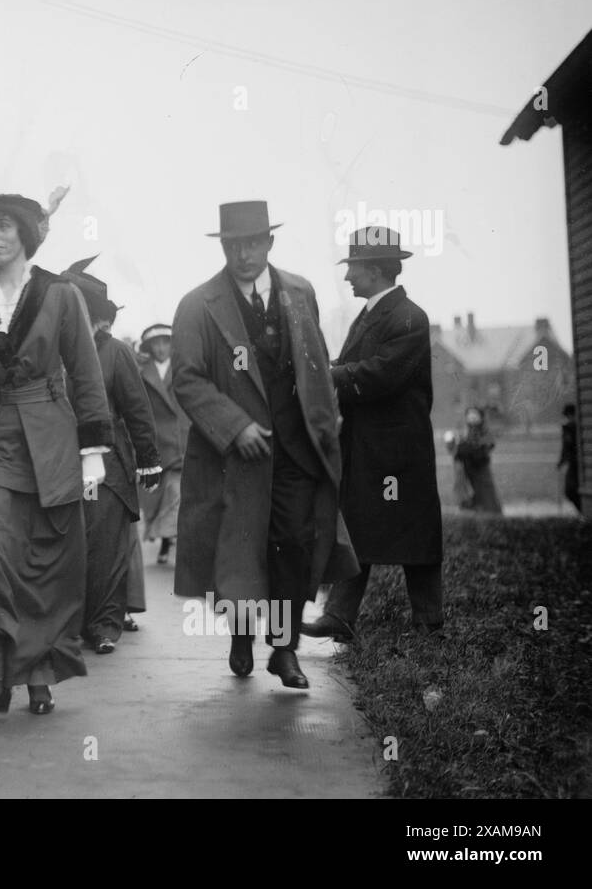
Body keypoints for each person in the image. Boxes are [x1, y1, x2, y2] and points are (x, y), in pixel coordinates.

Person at [0, 192, 113, 726]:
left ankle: (38, 675)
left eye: (6, 226)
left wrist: (93, 450)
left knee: (48, 565)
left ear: (27, 234)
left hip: (50, 442)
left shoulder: (59, 294)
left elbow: (84, 372)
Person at [171, 200, 358, 690]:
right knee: (241, 549)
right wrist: (234, 427)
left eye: (253, 243)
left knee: (294, 546)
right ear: (224, 247)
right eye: (234, 245)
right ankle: (241, 633)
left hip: (296, 450)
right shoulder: (197, 305)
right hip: (234, 457)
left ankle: (284, 649)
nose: (244, 254)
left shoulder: (301, 292)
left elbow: (314, 362)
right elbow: (186, 380)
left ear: (270, 242)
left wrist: (326, 420)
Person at [301, 226, 444, 642]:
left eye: (354, 268)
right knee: (359, 528)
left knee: (416, 535)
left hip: (400, 451)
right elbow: (360, 368)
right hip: (371, 447)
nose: (347, 277)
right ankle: (340, 616)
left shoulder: (409, 317)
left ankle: (429, 624)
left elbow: (383, 374)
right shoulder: (376, 315)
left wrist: (326, 375)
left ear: (378, 270)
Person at [60, 260, 162, 654]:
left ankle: (104, 625)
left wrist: (148, 458)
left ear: (95, 315)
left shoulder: (115, 352)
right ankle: (72, 623)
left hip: (109, 467)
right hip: (61, 464)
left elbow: (138, 409)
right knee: (72, 547)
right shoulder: (55, 352)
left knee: (104, 548)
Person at [138, 323, 189, 565]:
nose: (161, 348)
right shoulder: (141, 371)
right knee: (156, 498)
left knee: (176, 493)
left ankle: (172, 541)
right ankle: (166, 540)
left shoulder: (183, 368)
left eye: (165, 342)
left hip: (180, 437)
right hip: (156, 441)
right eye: (156, 343)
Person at [446, 406, 503, 514]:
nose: (471, 417)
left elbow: (485, 447)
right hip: (467, 472)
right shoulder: (464, 431)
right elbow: (456, 451)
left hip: (481, 470)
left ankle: (494, 518)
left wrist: (465, 448)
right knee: (469, 501)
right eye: (469, 414)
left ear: (480, 417)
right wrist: (454, 445)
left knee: (488, 500)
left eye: (474, 414)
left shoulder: (484, 431)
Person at [559, 403, 580, 513]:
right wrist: (561, 461)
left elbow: (566, 447)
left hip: (575, 464)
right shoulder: (569, 428)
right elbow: (565, 448)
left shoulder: (571, 428)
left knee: (571, 490)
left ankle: (583, 511)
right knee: (570, 490)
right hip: (573, 463)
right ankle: (582, 511)